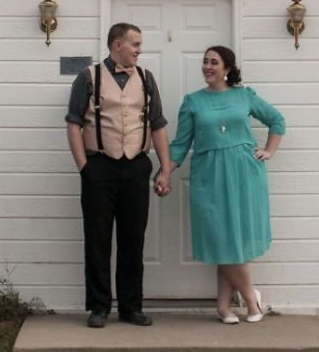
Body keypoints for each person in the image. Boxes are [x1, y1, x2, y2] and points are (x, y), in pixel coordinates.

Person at [155, 46, 285, 323]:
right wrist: (165, 172)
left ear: (227, 68)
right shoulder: (193, 102)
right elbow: (180, 145)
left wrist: (269, 151)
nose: (207, 66)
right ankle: (251, 298)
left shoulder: (244, 96)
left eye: (214, 62)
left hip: (244, 173)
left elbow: (277, 120)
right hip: (209, 175)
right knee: (219, 236)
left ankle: (224, 306)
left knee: (233, 239)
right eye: (205, 62)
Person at [66, 22, 171, 329]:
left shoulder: (146, 79)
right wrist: (84, 167)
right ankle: (98, 307)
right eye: (135, 44)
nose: (139, 50)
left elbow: (158, 124)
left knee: (132, 240)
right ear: (116, 45)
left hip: (136, 167)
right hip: (99, 166)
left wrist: (164, 168)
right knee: (97, 239)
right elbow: (74, 124)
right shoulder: (87, 78)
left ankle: (130, 307)